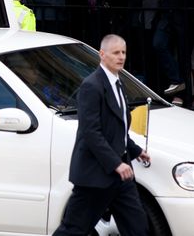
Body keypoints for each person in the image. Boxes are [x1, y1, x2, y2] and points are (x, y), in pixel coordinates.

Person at [53, 34, 151, 236]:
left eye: (123, 52)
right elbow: (91, 132)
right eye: (116, 53)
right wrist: (115, 163)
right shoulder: (91, 86)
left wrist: (135, 150)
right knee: (73, 229)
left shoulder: (118, 83)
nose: (121, 57)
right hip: (95, 175)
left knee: (138, 228)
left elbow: (116, 128)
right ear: (102, 54)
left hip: (121, 175)